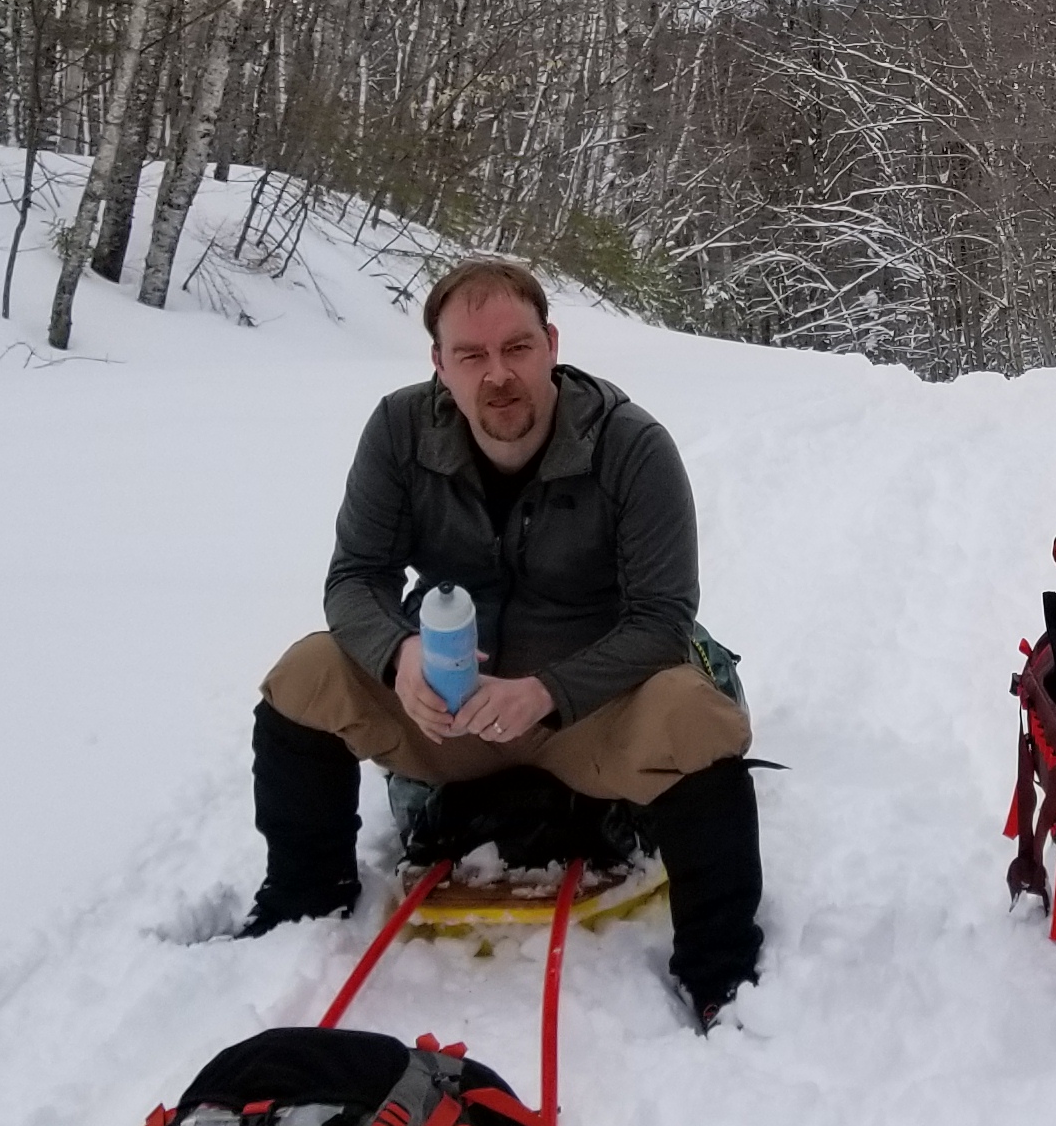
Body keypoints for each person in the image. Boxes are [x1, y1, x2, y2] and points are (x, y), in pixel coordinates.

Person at [242, 255, 767, 1027]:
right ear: (439, 366)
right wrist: (399, 655)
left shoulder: (632, 446)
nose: (499, 376)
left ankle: (721, 971)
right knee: (306, 673)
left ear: (551, 344)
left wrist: (548, 693)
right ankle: (302, 899)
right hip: (447, 713)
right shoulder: (398, 431)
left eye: (517, 349)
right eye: (472, 356)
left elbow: (662, 618)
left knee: (693, 716)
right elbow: (355, 579)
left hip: (588, 717)